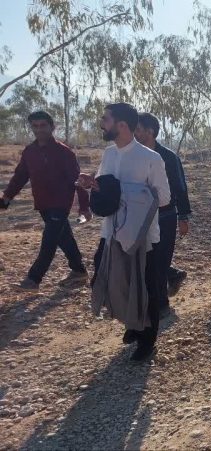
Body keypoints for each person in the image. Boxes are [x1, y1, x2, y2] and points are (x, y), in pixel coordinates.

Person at [78, 102, 171, 362]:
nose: (101, 124)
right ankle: (132, 323)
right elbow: (104, 186)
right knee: (112, 279)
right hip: (111, 232)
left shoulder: (151, 158)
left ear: (121, 125)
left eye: (105, 119)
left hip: (142, 236)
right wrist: (91, 184)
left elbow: (164, 198)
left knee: (145, 287)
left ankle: (147, 341)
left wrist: (127, 194)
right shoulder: (109, 154)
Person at [1, 111, 92, 291]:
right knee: (64, 237)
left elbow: (78, 181)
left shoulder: (64, 152)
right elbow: (20, 176)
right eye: (35, 126)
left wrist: (84, 207)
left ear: (52, 127)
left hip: (60, 203)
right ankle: (79, 270)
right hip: (43, 203)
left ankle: (33, 279)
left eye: (43, 125)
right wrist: (7, 196)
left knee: (49, 240)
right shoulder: (29, 151)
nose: (39, 129)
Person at [134, 113, 192, 315]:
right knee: (146, 259)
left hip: (165, 216)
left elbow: (180, 188)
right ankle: (172, 276)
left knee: (159, 259)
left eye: (138, 129)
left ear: (150, 132)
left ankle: (161, 305)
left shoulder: (168, 157)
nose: (134, 134)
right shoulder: (133, 156)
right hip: (141, 217)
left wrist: (183, 217)